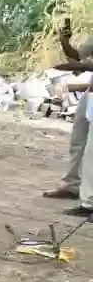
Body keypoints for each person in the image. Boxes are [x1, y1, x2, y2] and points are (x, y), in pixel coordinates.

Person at [42, 23, 93, 205]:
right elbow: (77, 55)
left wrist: (85, 66)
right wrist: (65, 42)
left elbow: (82, 63)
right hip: (91, 94)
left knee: (91, 148)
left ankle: (88, 199)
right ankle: (72, 185)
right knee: (78, 140)